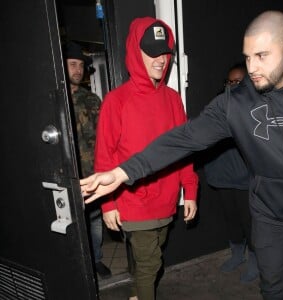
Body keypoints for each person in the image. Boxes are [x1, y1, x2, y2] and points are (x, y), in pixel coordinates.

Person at [80, 10, 283, 300]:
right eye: (247, 57)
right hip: (270, 213)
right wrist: (122, 173)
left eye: (261, 56)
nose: (252, 67)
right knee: (273, 289)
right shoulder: (236, 103)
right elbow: (183, 140)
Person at [92, 17, 198, 300]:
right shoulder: (116, 101)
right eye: (152, 51)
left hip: (165, 199)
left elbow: (185, 149)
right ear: (134, 53)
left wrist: (190, 190)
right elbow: (105, 156)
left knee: (151, 257)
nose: (161, 59)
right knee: (151, 262)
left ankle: (140, 293)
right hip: (133, 201)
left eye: (165, 51)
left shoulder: (173, 99)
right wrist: (108, 204)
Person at [204, 62, 258, 283]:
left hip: (246, 180)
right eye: (229, 81)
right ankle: (237, 255)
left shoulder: (255, 105)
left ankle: (255, 263)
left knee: (250, 224)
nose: (232, 85)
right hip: (222, 177)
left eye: (238, 81)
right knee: (232, 221)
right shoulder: (217, 105)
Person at [64, 41, 111, 279]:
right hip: (65, 177)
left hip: (91, 175)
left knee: (93, 222)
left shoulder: (92, 100)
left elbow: (105, 137)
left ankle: (96, 261)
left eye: (80, 66)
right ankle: (75, 270)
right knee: (70, 225)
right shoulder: (55, 101)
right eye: (72, 64)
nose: (77, 70)